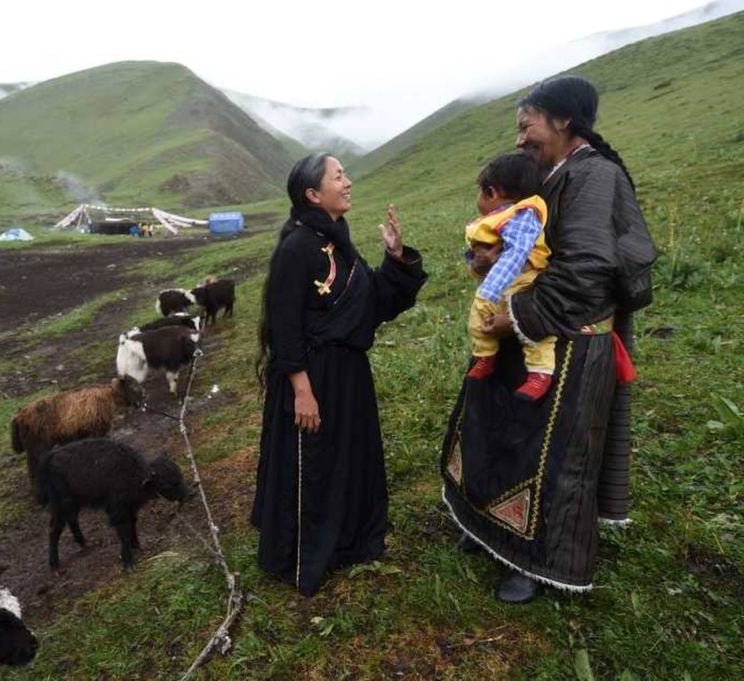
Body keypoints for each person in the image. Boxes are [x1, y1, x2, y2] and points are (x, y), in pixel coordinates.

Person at [441, 75, 655, 603]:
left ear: (564, 120)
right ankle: (496, 534)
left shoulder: (594, 177)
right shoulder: (546, 179)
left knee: (558, 460)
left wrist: (514, 316)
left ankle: (541, 561)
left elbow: (586, 268)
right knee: (506, 436)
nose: (519, 139)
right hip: (530, 334)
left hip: (569, 345)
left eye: (526, 125)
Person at [251, 153, 428, 596]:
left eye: (345, 174)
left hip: (348, 376)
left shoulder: (335, 240)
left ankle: (349, 542)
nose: (348, 182)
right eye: (338, 176)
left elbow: (372, 304)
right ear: (313, 194)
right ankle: (304, 552)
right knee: (312, 465)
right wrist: (301, 390)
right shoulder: (296, 247)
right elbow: (284, 325)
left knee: (346, 459)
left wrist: (395, 256)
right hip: (313, 377)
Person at [464, 153, 556, 401]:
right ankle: (486, 356)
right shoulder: (497, 218)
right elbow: (478, 254)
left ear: (491, 193)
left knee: (535, 333)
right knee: (477, 317)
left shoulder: (523, 214)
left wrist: (493, 285)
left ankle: (540, 374)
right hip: (496, 282)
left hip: (523, 280)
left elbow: (517, 252)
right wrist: (477, 263)